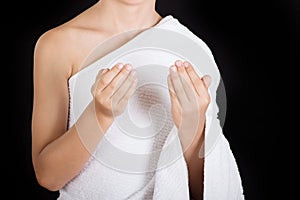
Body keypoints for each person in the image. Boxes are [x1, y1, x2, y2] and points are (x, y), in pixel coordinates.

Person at [32, 0, 244, 199]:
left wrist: (193, 129)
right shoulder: (57, 46)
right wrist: (100, 115)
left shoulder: (193, 50)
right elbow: (48, 176)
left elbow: (206, 190)